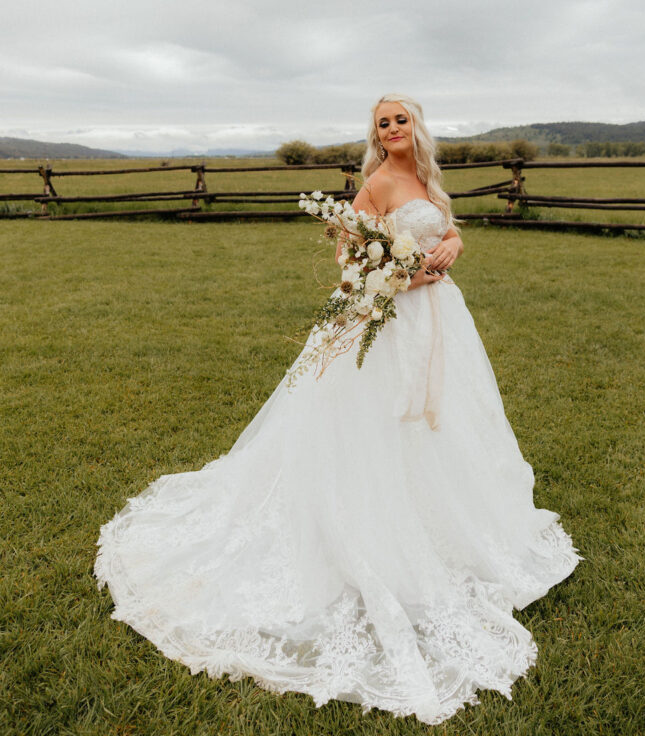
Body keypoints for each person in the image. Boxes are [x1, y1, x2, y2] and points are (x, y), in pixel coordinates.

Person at [95, 93, 580, 726]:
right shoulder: (376, 182)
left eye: (400, 118)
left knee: (445, 427)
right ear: (375, 135)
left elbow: (446, 228)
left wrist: (453, 245)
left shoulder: (428, 178)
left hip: (441, 321)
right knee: (381, 424)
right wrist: (404, 274)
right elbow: (348, 256)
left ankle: (444, 521)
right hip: (394, 319)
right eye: (382, 122)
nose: (392, 128)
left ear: (416, 126)